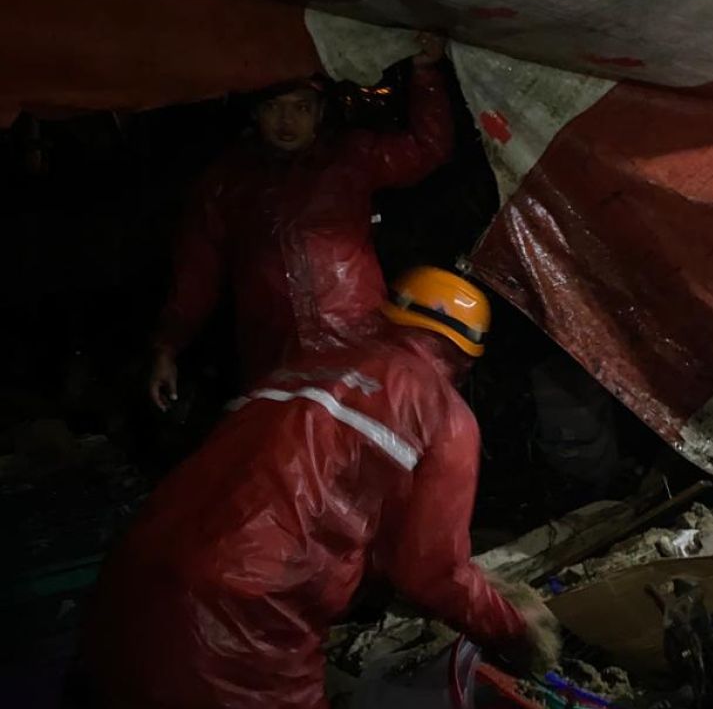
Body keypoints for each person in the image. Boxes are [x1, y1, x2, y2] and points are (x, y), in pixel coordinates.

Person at [86, 267, 558, 708]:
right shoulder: (445, 412)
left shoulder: (301, 370)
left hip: (126, 581)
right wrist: (515, 631)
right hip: (243, 616)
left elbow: (311, 497)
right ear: (466, 357)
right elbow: (430, 574)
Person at [149, 33, 454, 409]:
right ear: (256, 113)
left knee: (363, 446)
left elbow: (427, 148)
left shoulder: (350, 158)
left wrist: (425, 73)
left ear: (320, 113)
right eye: (274, 107)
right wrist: (168, 346)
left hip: (357, 344)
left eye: (301, 108)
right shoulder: (225, 182)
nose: (287, 121)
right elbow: (195, 277)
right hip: (275, 357)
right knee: (290, 459)